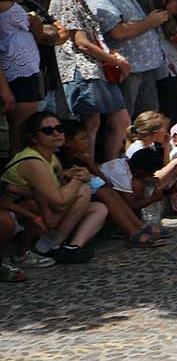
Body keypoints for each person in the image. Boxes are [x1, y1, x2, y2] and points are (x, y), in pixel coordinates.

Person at [49, 0, 132, 164]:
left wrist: (111, 57)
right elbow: (82, 42)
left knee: (120, 120)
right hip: (82, 69)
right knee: (90, 124)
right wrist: (115, 61)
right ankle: (89, 169)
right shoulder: (63, 0)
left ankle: (110, 168)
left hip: (97, 69)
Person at [3, 111, 108, 262]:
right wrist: (79, 178)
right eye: (48, 131)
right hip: (19, 213)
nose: (56, 133)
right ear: (33, 137)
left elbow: (61, 188)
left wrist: (73, 177)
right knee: (82, 189)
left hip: (42, 207)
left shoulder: (50, 156)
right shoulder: (33, 161)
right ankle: (45, 247)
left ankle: (71, 247)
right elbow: (59, 200)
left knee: (99, 208)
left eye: (59, 129)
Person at [86, 0, 170, 119]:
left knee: (150, 120)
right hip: (127, 70)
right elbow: (117, 32)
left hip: (144, 67)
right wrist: (150, 22)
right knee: (126, 122)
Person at [2, 0, 51, 152]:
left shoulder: (18, 7)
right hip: (18, 75)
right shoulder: (11, 9)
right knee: (22, 130)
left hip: (24, 72)